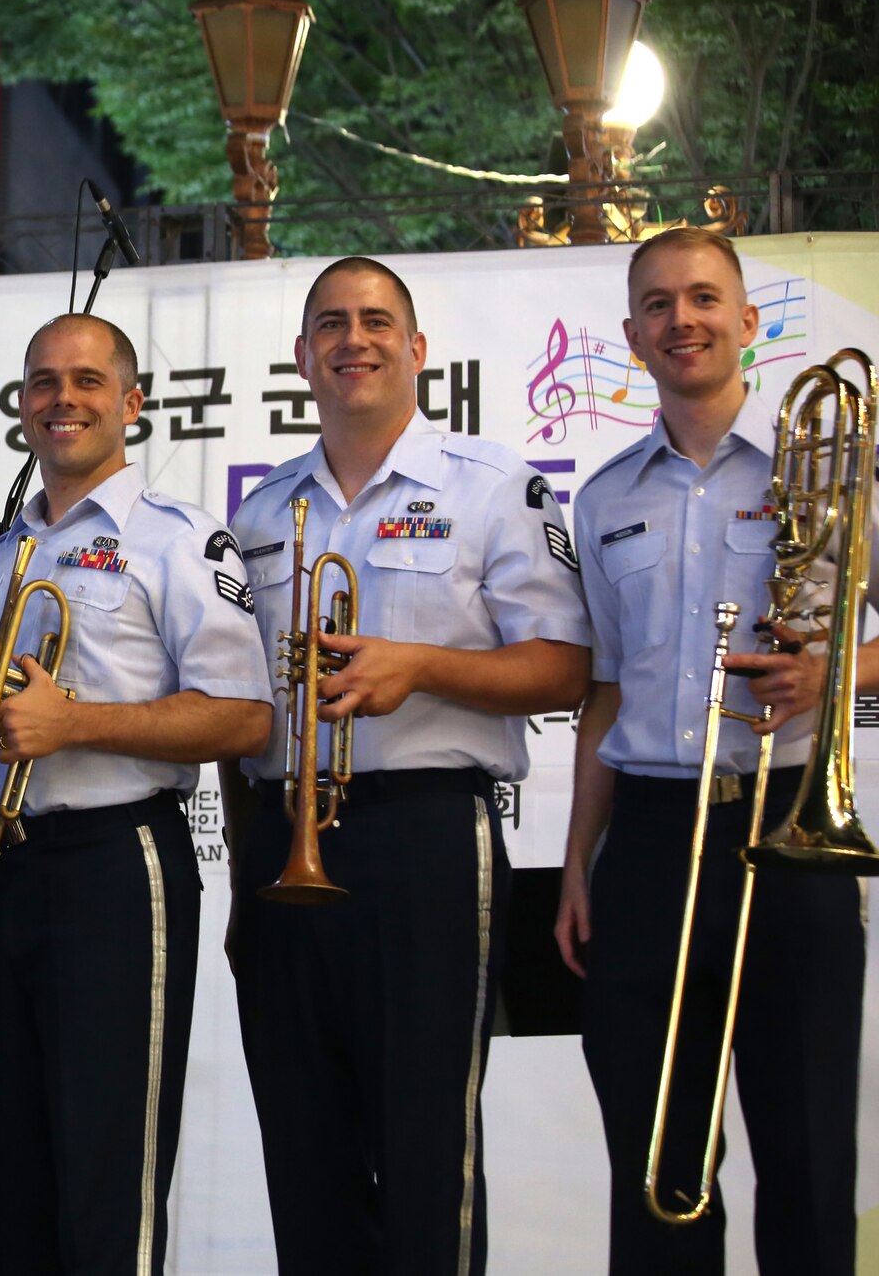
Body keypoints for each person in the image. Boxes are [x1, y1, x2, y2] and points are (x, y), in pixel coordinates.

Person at [222, 257, 590, 1275]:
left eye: (376, 321)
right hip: (278, 837)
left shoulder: (489, 485)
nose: (354, 339)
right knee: (303, 1147)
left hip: (425, 833)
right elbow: (236, 708)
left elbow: (563, 667)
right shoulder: (258, 517)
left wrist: (417, 668)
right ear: (300, 357)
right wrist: (243, 873)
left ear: (417, 349)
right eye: (330, 324)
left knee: (426, 1142)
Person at [555, 227, 870, 1274]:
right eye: (655, 304)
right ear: (631, 336)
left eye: (700, 298)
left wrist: (835, 676)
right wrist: (574, 863)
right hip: (648, 840)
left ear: (744, 320)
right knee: (656, 1166)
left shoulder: (833, 471)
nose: (677, 319)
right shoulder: (600, 500)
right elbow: (604, 689)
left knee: (807, 1153)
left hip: (789, 824)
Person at [0, 312, 273, 1274]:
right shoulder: (3, 549)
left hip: (119, 865)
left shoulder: (178, 540)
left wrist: (79, 722)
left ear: (132, 404)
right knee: (9, 1172)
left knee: (109, 1175)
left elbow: (244, 718)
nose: (65, 399)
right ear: (21, 404)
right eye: (45, 381)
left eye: (89, 381)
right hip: (4, 871)